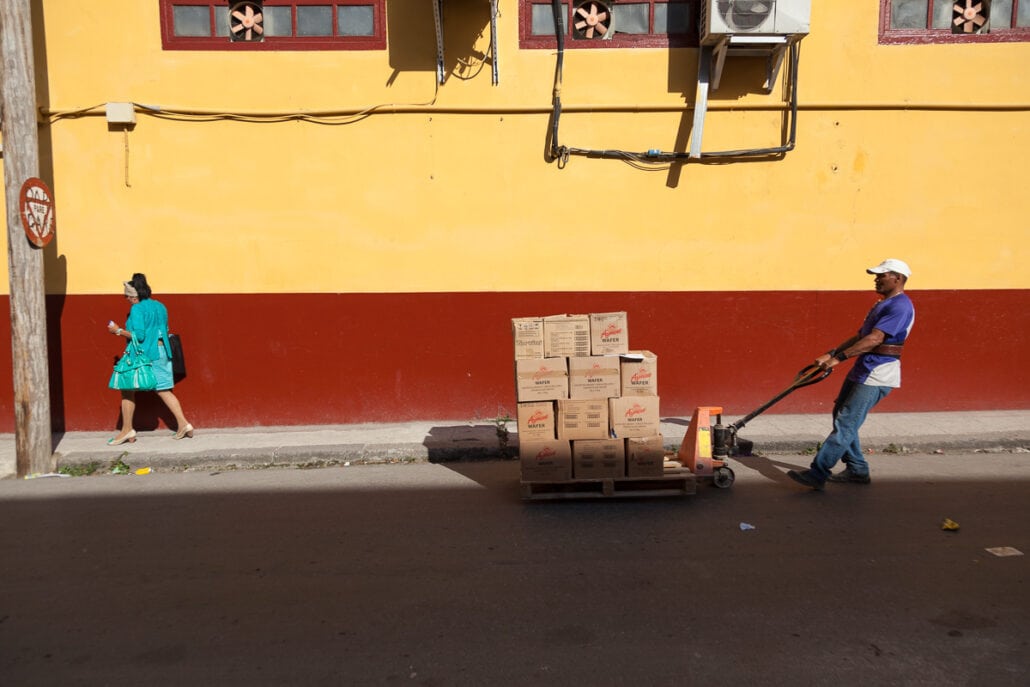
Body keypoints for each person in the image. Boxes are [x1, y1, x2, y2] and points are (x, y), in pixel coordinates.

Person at [787, 258, 915, 490]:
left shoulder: (900, 306)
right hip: (864, 369)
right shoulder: (882, 304)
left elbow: (875, 339)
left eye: (881, 275)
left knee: (846, 421)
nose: (876, 279)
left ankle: (818, 472)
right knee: (842, 415)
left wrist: (838, 359)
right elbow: (860, 337)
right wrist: (831, 354)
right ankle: (857, 469)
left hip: (878, 372)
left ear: (897, 278)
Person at [106, 273, 195, 445]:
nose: (126, 299)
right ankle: (184, 424)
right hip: (163, 352)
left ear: (134, 296)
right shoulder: (160, 306)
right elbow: (164, 328)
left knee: (127, 389)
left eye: (127, 296)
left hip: (146, 355)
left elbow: (139, 336)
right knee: (163, 389)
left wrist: (117, 330)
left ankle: (127, 430)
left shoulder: (137, 309)